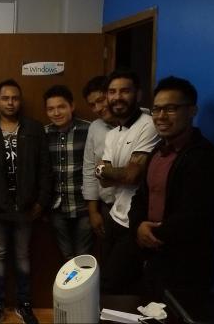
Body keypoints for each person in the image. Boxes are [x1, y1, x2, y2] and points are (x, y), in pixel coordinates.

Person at [129, 76, 214, 297]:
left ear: (192, 111)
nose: (161, 116)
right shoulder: (157, 152)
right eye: (156, 109)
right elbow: (140, 196)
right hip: (153, 259)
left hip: (186, 266)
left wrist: (150, 234)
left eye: (171, 109)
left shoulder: (203, 156)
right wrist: (138, 227)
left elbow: (194, 214)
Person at [0, 79, 52, 324]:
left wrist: (41, 202)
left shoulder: (34, 130)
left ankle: (24, 305)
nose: (10, 102)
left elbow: (45, 169)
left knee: (22, 256)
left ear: (20, 101)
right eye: (5, 98)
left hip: (26, 207)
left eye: (15, 98)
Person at [95, 69, 159, 293]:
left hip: (135, 222)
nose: (117, 97)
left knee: (115, 285)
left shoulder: (149, 125)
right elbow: (103, 181)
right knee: (105, 281)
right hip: (115, 215)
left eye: (125, 91)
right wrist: (107, 172)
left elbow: (133, 176)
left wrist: (104, 170)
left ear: (138, 94)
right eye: (112, 92)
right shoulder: (112, 134)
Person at [43, 84, 91, 261]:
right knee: (67, 257)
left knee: (83, 256)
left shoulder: (89, 130)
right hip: (57, 206)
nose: (56, 113)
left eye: (61, 107)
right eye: (51, 109)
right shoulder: (44, 133)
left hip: (84, 205)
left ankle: (84, 281)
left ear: (72, 106)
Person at [81, 76, 118, 239]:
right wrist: (93, 212)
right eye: (92, 105)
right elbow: (89, 170)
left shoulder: (144, 121)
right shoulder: (95, 127)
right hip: (107, 207)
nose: (97, 108)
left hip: (136, 207)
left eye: (101, 100)